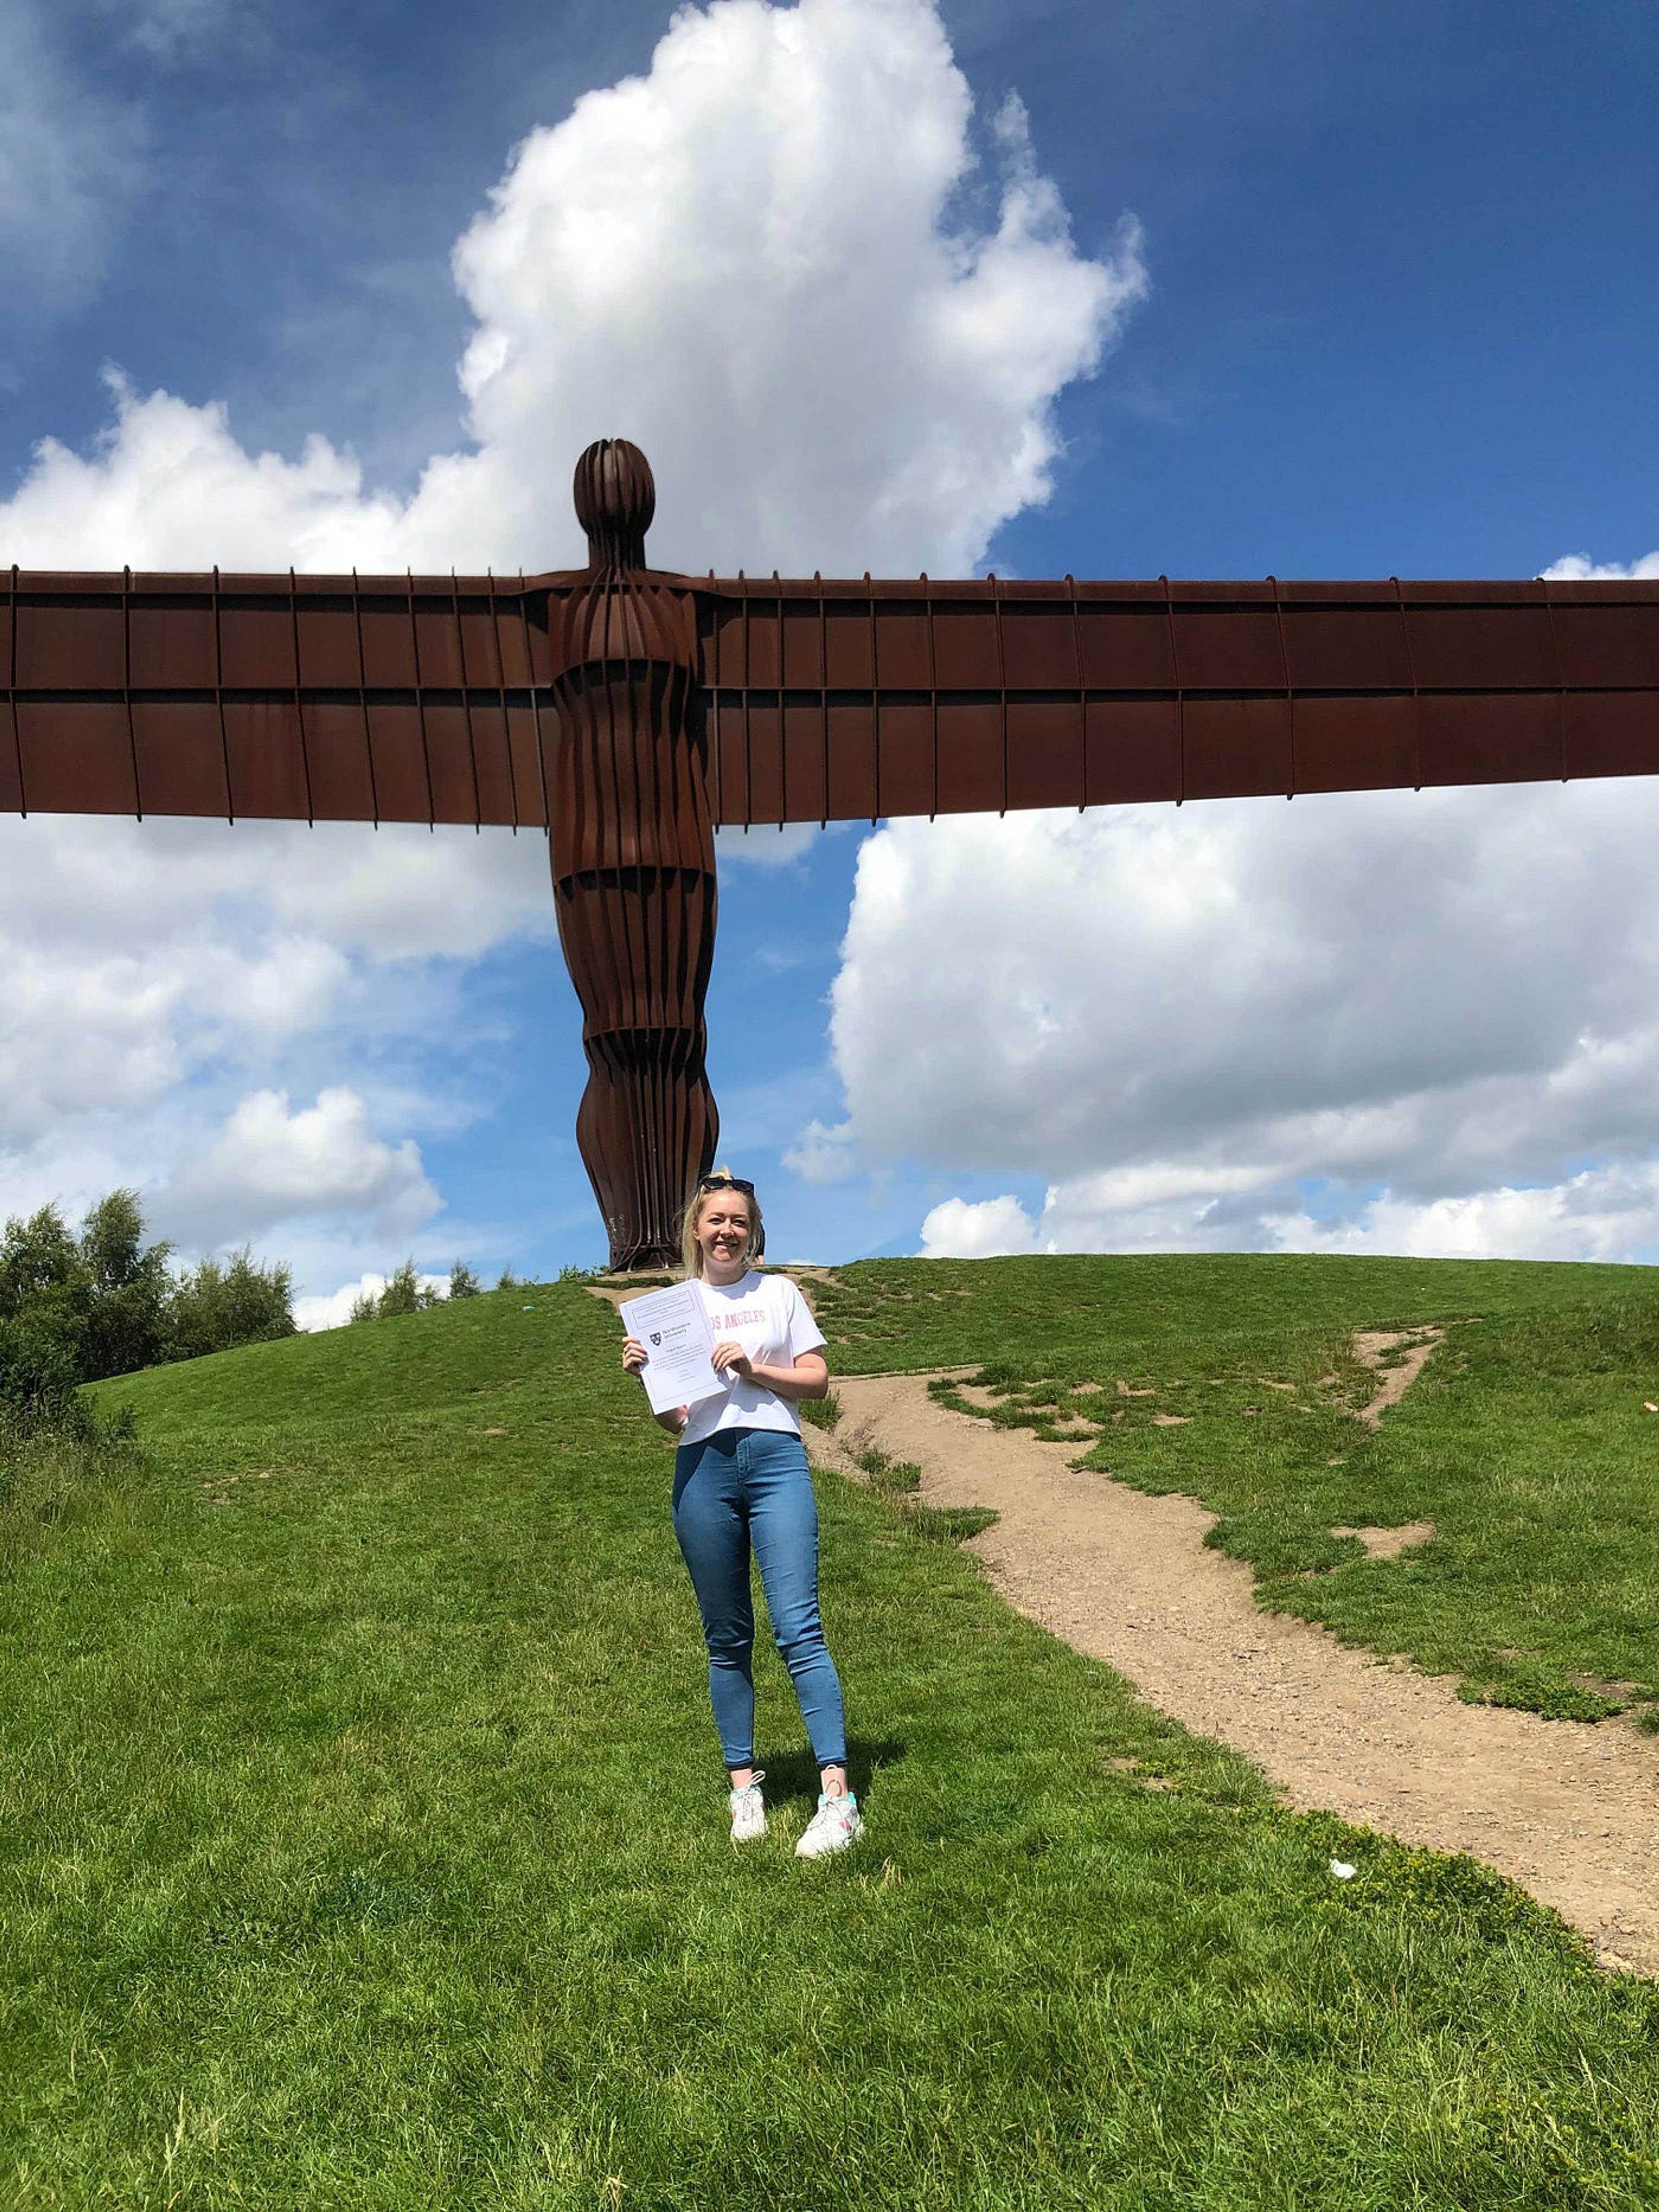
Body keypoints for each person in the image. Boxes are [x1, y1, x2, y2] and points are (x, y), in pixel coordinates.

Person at [621, 1171, 862, 1858]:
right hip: (702, 1468)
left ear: (754, 1231)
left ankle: (838, 1799)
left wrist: (755, 1368)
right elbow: (677, 1419)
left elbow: (817, 1381)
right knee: (726, 1635)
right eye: (716, 1220)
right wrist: (649, 1378)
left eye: (739, 1220)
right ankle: (744, 1789)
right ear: (696, 1230)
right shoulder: (674, 1307)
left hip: (776, 1460)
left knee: (798, 1626)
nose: (727, 1230)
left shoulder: (778, 1293)